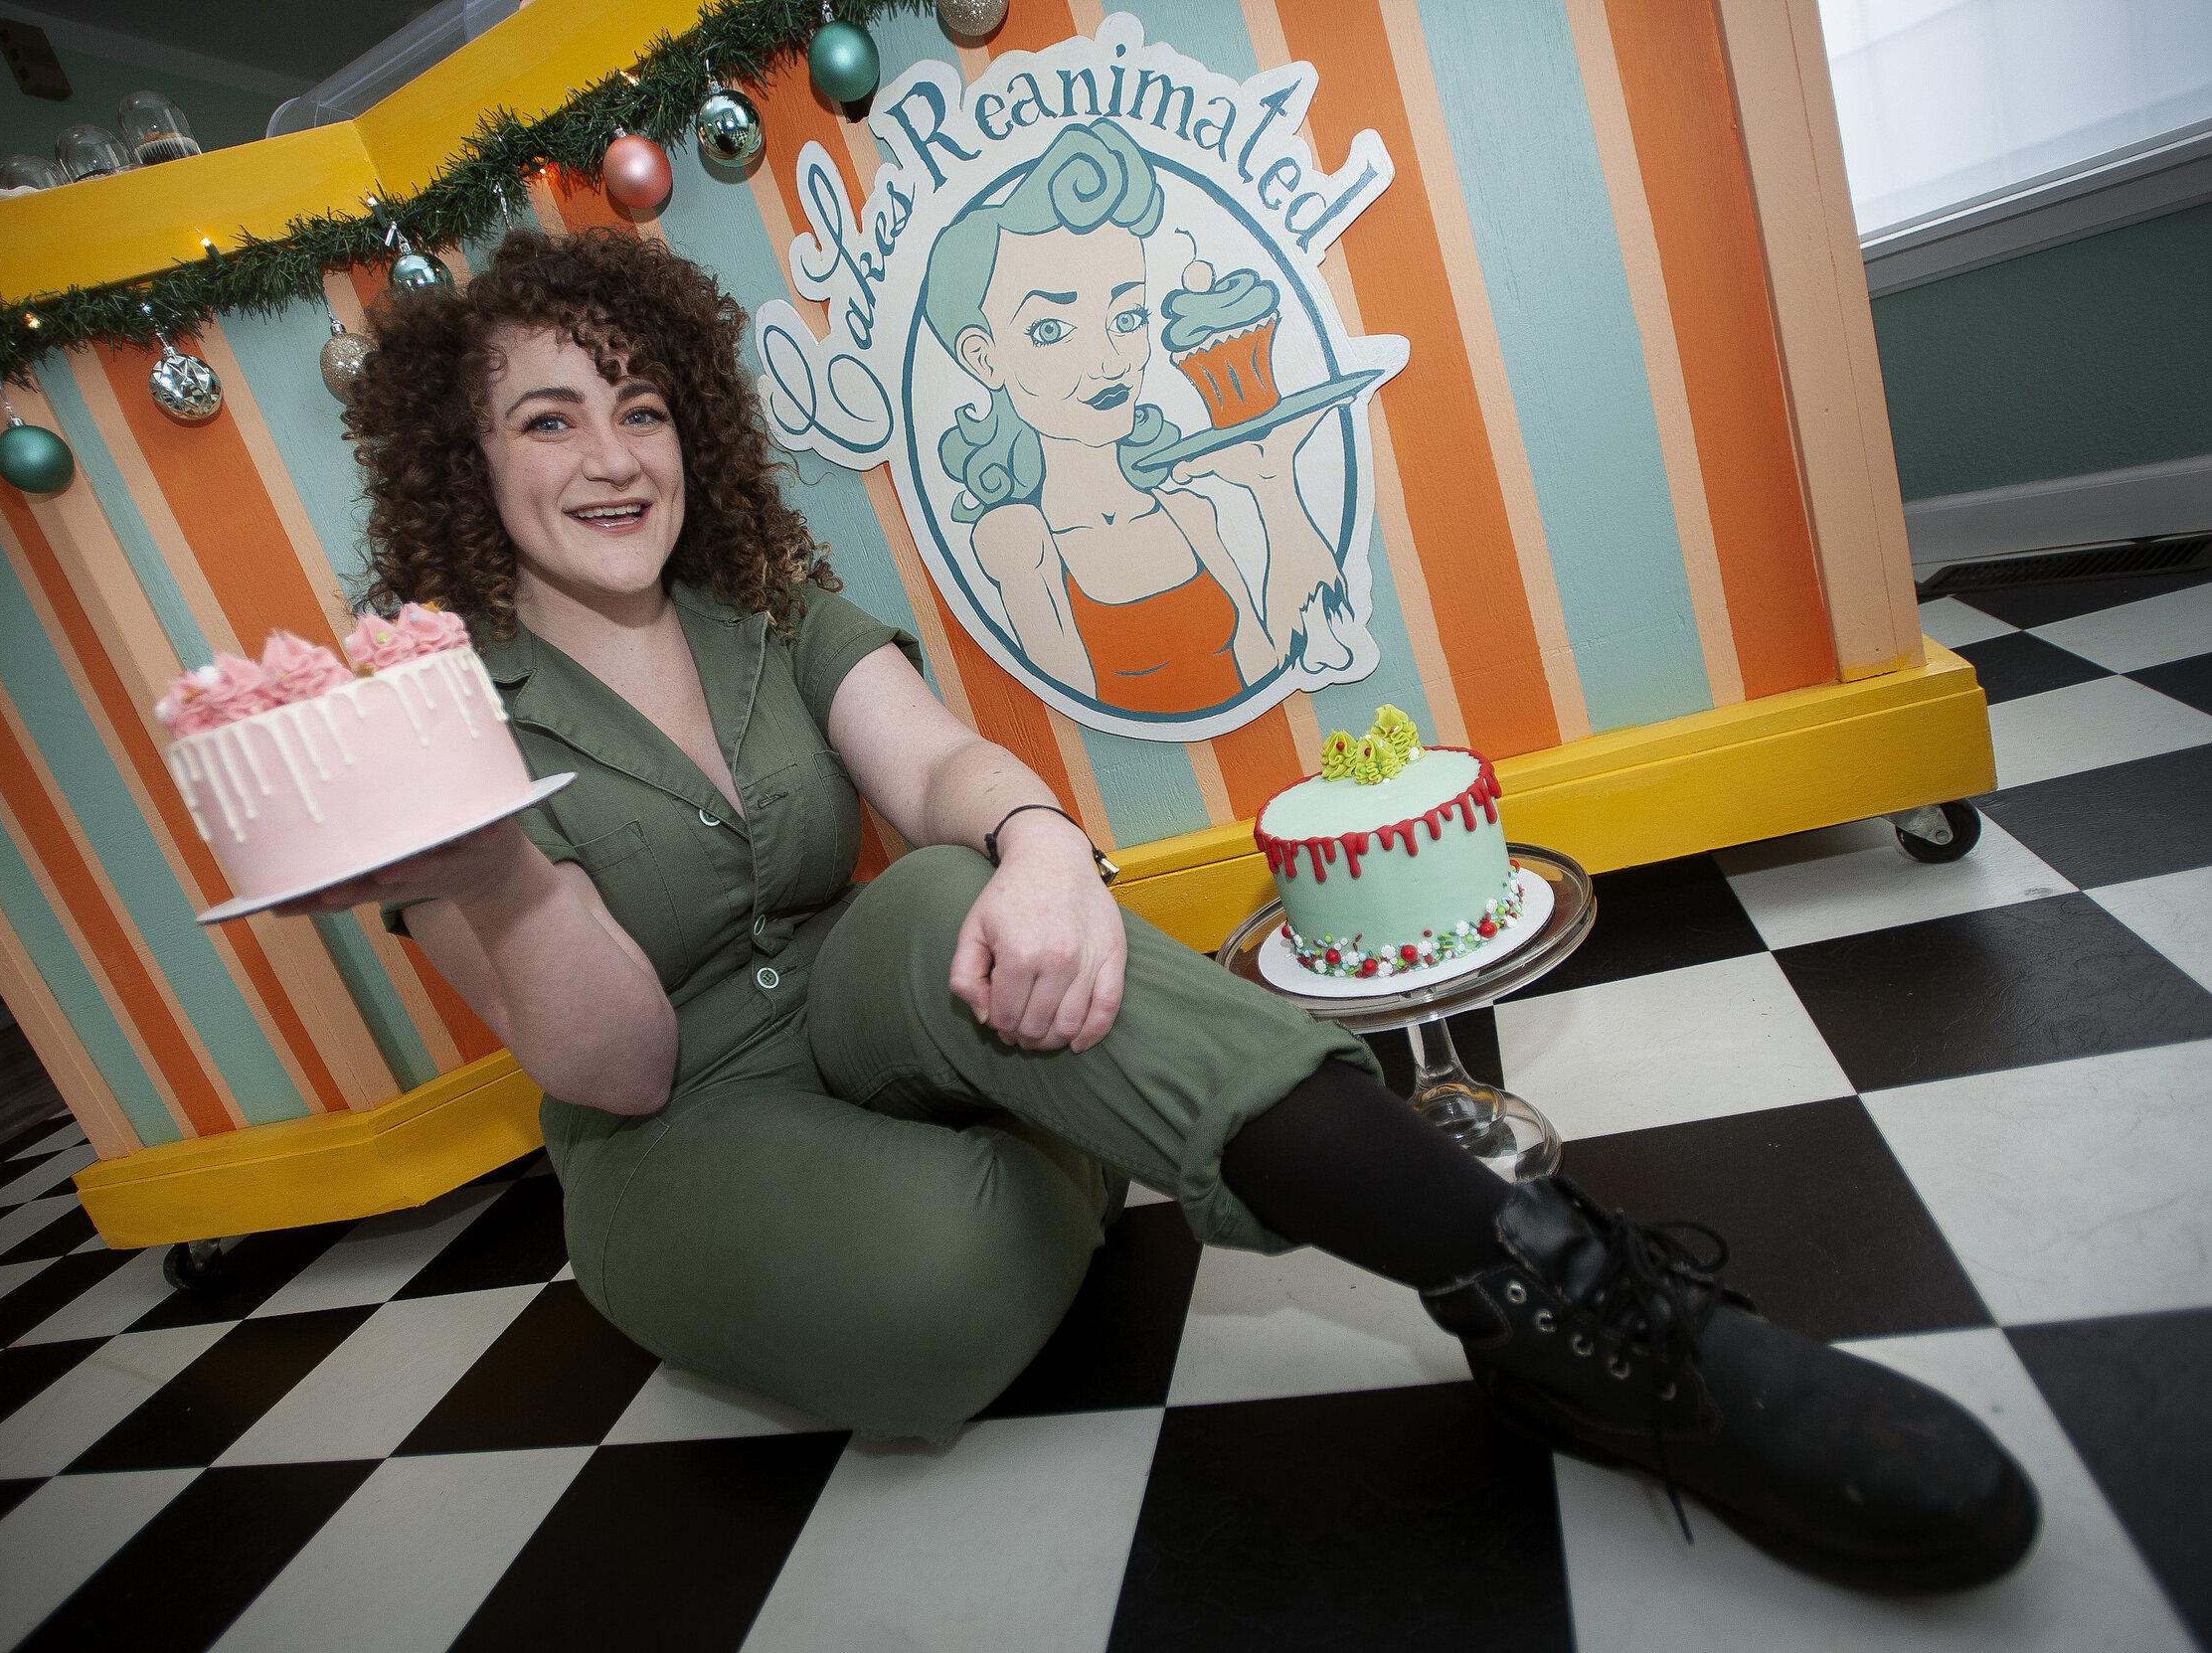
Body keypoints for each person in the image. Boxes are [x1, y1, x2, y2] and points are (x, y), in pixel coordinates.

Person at [284, 226, 2036, 1594]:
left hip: (857, 993)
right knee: (942, 1286)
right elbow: (627, 1060)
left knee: (967, 892)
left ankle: (1570, 1292)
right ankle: (1092, 1120)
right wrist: (494, 862)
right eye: (549, 415)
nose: (613, 453)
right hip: (679, 1128)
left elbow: (942, 771)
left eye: (641, 404)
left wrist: (1048, 850)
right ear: (465, 461)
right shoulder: (425, 723)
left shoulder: (771, 612)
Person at [924, 121, 1344, 714]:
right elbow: (1086, 715)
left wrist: (1272, 483)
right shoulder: (1019, 539)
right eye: (1051, 330)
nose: (1109, 362)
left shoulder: (1187, 509)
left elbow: (1273, 664)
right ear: (983, 356)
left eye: (1126, 318)